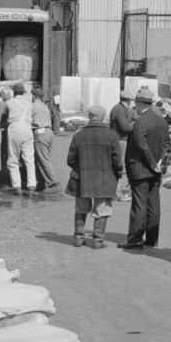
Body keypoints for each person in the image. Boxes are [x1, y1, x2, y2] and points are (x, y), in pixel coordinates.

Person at [67, 106, 122, 248]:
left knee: (81, 208)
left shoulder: (78, 135)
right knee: (102, 210)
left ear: (89, 116)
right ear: (103, 117)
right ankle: (98, 240)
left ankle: (79, 238)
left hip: (82, 178)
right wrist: (118, 173)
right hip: (104, 178)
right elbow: (117, 160)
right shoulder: (111, 135)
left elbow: (70, 160)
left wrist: (80, 168)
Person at [122, 86, 170, 248]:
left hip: (140, 168)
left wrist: (151, 164)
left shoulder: (140, 122)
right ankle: (152, 239)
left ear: (138, 102)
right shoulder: (161, 120)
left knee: (139, 204)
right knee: (153, 204)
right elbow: (167, 144)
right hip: (155, 168)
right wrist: (160, 162)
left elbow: (141, 145)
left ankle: (135, 239)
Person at [3, 82, 36, 193]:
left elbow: (3, 116)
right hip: (27, 128)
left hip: (14, 128)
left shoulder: (8, 103)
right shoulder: (29, 103)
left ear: (14, 92)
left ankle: (17, 186)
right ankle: (31, 185)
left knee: (13, 158)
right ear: (23, 92)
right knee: (29, 159)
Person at [109, 86, 137, 201]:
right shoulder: (119, 109)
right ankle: (117, 192)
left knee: (118, 165)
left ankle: (116, 191)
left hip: (120, 139)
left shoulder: (119, 109)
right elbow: (125, 127)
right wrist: (136, 122)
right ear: (128, 101)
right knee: (119, 165)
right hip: (119, 140)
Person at [30, 84, 59, 191]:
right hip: (49, 132)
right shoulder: (44, 106)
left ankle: (53, 182)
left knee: (43, 159)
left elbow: (29, 120)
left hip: (40, 133)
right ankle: (43, 183)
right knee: (43, 159)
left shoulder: (33, 106)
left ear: (34, 96)